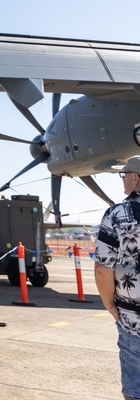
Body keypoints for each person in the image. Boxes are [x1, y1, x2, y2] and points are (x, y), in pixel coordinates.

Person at [95, 156, 140, 400]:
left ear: (135, 178)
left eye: (124, 175)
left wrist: (110, 305)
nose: (122, 180)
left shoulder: (117, 214)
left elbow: (103, 268)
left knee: (136, 391)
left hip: (133, 319)